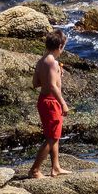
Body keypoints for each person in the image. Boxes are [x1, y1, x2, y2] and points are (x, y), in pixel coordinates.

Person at [29, 27, 71, 178]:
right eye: (63, 47)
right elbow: (52, 86)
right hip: (51, 102)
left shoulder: (41, 61)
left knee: (54, 135)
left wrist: (56, 75)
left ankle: (56, 167)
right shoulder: (52, 63)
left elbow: (35, 83)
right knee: (52, 137)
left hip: (43, 100)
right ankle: (35, 170)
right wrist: (63, 103)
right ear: (59, 46)